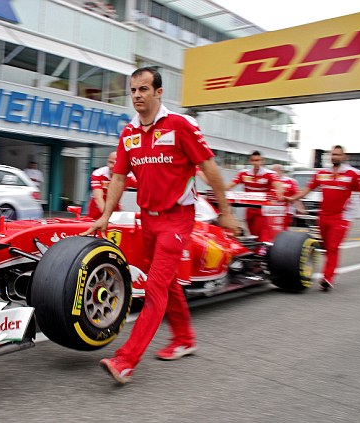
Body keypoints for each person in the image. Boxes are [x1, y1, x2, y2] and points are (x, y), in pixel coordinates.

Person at [81, 67, 238, 385]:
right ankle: (184, 338)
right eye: (133, 90)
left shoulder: (181, 126)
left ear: (159, 92)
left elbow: (209, 166)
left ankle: (125, 361)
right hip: (147, 219)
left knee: (153, 287)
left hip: (177, 220)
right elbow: (119, 178)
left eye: (143, 89)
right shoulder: (129, 134)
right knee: (166, 283)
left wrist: (226, 211)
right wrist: (106, 215)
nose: (137, 95)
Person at [287, 145, 360, 291]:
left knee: (332, 247)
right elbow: (306, 190)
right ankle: (328, 273)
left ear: (344, 156)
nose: (334, 157)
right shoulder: (322, 173)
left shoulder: (353, 174)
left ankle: (327, 278)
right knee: (325, 245)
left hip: (342, 217)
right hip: (323, 216)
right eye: (332, 154)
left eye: (337, 154)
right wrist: (291, 198)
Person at [225, 151, 284, 239]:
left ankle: (260, 250)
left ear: (262, 161)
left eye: (258, 160)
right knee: (251, 232)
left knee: (259, 234)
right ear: (250, 161)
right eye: (253, 160)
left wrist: (280, 193)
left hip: (263, 210)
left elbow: (278, 185)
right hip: (249, 208)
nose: (256, 163)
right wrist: (220, 190)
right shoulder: (243, 173)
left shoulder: (270, 174)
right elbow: (230, 185)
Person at [87, 152, 137, 219]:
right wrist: (106, 216)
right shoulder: (98, 173)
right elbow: (98, 197)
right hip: (96, 213)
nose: (111, 166)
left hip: (115, 213)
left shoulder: (129, 176)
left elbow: (146, 187)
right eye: (110, 162)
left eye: (114, 163)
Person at [271, 164, 305, 230]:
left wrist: (300, 208)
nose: (275, 172)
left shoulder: (290, 181)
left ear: (281, 171)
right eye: (273, 170)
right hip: (272, 210)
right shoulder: (271, 181)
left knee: (283, 229)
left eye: (276, 170)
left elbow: (296, 196)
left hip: (287, 211)